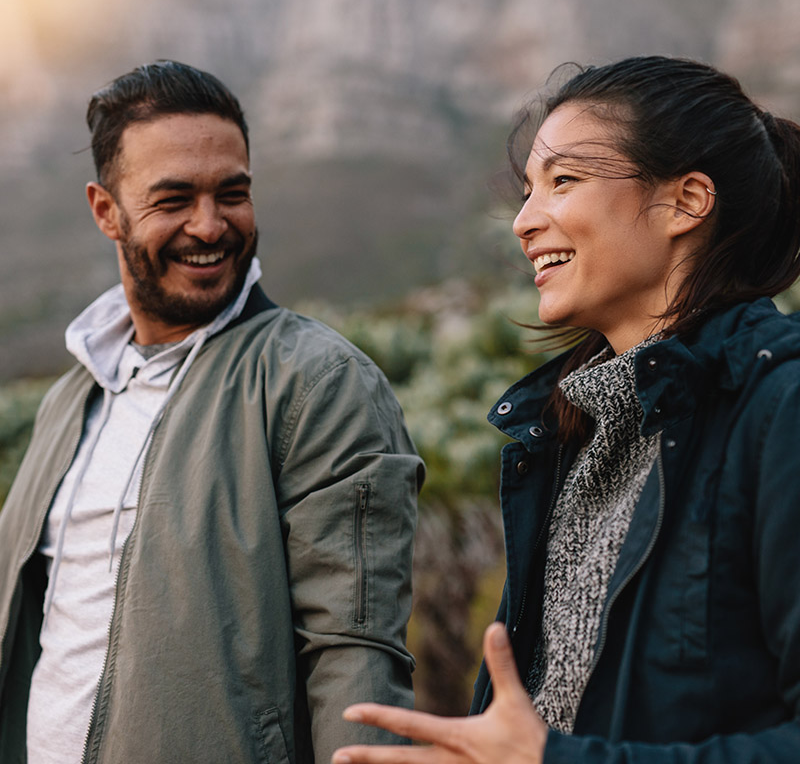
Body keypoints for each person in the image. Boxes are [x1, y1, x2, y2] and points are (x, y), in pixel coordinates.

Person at [332, 55, 800, 763]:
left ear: (686, 201)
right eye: (527, 191)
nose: (523, 222)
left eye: (564, 181)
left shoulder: (781, 407)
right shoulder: (568, 434)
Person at [0, 60, 423, 764]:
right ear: (106, 211)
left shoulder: (318, 383)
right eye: (174, 199)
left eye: (232, 193)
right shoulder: (69, 398)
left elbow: (358, 659)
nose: (209, 225)